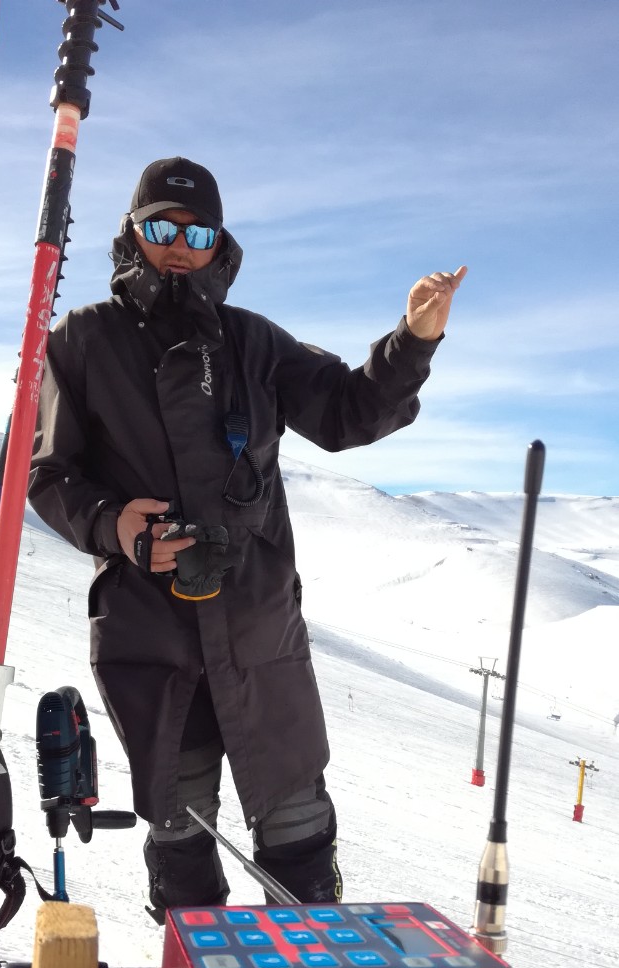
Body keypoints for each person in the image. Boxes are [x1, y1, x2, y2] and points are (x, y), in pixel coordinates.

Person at [28, 156, 466, 921]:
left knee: (298, 828)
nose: (180, 246)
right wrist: (114, 525)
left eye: (198, 232)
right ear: (132, 232)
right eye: (162, 227)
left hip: (258, 626)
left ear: (218, 244)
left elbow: (346, 412)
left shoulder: (252, 341)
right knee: (181, 832)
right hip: (149, 629)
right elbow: (48, 472)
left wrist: (412, 342)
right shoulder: (85, 340)